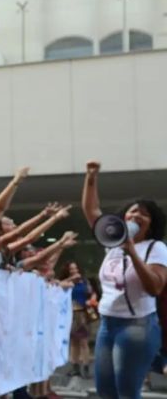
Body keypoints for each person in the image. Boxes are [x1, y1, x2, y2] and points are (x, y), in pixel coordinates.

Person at [82, 160, 167, 398]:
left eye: (143, 213)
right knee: (105, 391)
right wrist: (91, 178)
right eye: (132, 211)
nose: (136, 214)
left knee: (127, 392)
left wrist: (132, 251)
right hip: (107, 325)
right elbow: (92, 212)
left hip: (136, 326)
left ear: (151, 224)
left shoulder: (155, 247)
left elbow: (155, 287)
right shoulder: (113, 242)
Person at [60, 261, 94, 379]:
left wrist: (91, 300)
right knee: (73, 342)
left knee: (84, 342)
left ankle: (85, 367)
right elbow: (59, 287)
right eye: (71, 269)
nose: (74, 271)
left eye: (75, 268)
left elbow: (92, 293)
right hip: (70, 314)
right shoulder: (67, 282)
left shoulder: (84, 281)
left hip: (82, 314)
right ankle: (75, 367)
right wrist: (71, 279)